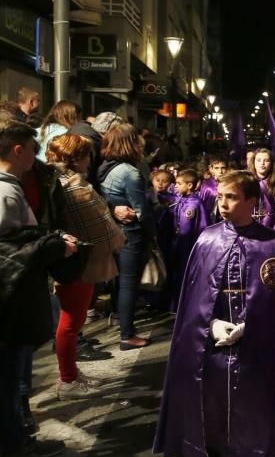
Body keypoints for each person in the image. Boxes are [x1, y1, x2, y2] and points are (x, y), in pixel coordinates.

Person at [154, 171, 275, 457]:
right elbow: (194, 296)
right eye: (221, 196)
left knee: (253, 400)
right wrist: (210, 323)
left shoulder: (272, 243)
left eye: (232, 197)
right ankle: (214, 453)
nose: (222, 203)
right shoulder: (207, 239)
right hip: (213, 338)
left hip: (255, 341)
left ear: (252, 202)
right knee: (212, 397)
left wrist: (251, 325)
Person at [0, 119, 80, 457]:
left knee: (13, 377)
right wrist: (50, 246)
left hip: (15, 300)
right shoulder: (5, 192)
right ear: (18, 150)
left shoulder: (12, 186)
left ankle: (18, 441)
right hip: (8, 301)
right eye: (33, 149)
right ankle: (12, 453)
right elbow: (8, 249)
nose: (37, 156)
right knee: (6, 381)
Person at [46, 135, 124, 399]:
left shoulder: (60, 182)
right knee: (71, 321)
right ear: (76, 157)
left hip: (78, 257)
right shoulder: (73, 186)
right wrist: (119, 240)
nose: (91, 160)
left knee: (73, 320)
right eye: (87, 155)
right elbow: (99, 223)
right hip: (80, 259)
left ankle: (72, 374)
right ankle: (68, 380)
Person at [98, 123, 154, 351]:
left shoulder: (105, 167)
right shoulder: (130, 172)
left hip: (114, 230)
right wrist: (154, 234)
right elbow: (142, 210)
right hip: (131, 234)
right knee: (129, 284)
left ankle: (123, 325)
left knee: (121, 282)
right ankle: (127, 335)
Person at [166, 169, 208, 312]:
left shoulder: (194, 204)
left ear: (189, 185)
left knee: (186, 273)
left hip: (188, 245)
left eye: (179, 183)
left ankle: (185, 304)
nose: (175, 186)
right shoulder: (181, 200)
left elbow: (192, 227)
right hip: (178, 243)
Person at [251, 148, 275, 230]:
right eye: (258, 160)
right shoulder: (246, 182)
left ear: (271, 164)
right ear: (254, 163)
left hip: (270, 229)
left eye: (266, 160)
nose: (262, 163)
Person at [199, 156, 229, 222]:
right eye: (216, 168)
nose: (220, 171)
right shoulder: (207, 185)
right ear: (211, 169)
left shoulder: (231, 184)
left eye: (223, 168)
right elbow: (202, 206)